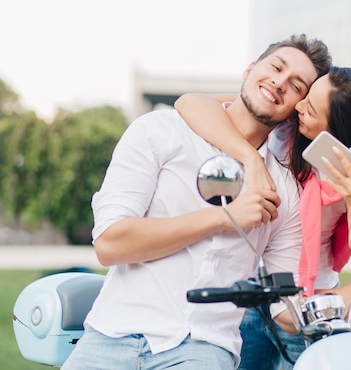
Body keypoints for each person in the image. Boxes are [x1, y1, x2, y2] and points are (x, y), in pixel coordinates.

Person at [60, 34, 332, 370]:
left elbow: (284, 305)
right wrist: (224, 218)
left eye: (296, 86)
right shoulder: (159, 131)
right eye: (276, 67)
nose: (279, 82)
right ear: (249, 69)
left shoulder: (285, 192)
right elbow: (110, 243)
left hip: (202, 347)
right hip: (110, 333)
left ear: (297, 109)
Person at [175, 66, 351, 370]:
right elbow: (190, 103)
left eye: (311, 108)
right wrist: (250, 158)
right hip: (251, 300)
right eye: (307, 97)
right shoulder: (284, 129)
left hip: (306, 313)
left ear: (335, 130)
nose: (299, 106)